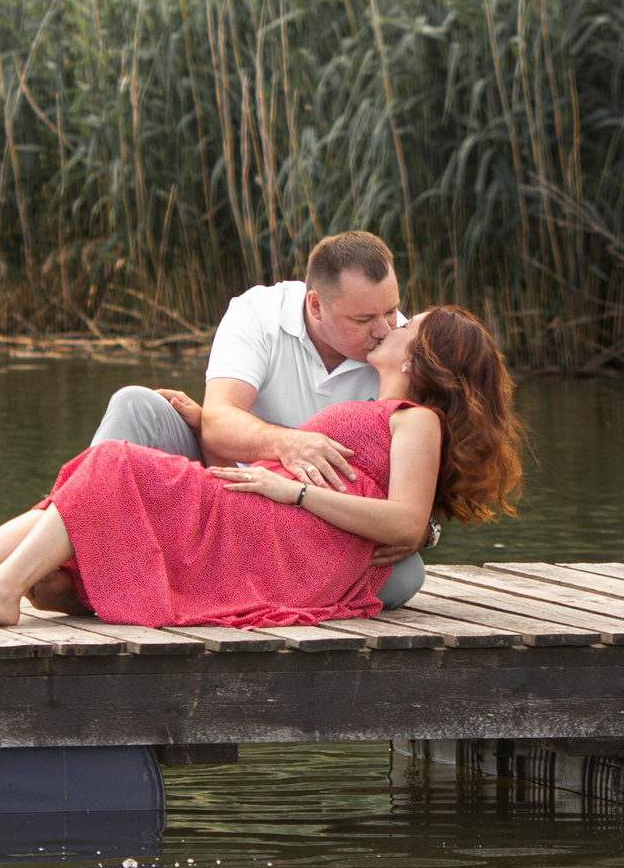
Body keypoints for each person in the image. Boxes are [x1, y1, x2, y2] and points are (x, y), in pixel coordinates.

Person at [0, 305, 523, 629]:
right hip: (274, 519)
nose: (390, 324)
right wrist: (208, 429)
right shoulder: (375, 404)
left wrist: (292, 494)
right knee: (96, 480)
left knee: (112, 468)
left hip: (295, 540)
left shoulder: (418, 419)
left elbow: (402, 517)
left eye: (406, 324)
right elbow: (324, 466)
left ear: (420, 359)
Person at [76, 230, 433, 606]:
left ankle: (187, 585)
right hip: (223, 487)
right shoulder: (259, 313)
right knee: (135, 405)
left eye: (391, 310)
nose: (384, 328)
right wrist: (288, 444)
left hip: (317, 529)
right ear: (315, 306)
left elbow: (426, 468)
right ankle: (79, 555)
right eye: (363, 319)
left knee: (405, 576)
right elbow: (218, 425)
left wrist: (425, 529)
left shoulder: (403, 349)